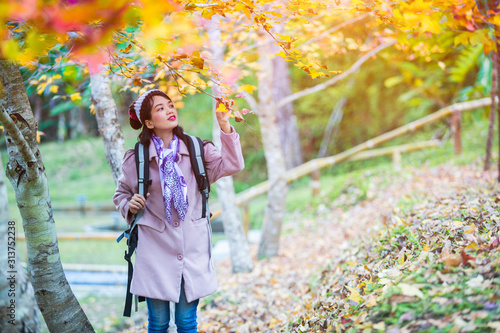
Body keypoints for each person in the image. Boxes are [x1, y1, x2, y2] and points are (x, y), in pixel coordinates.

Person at [113, 89, 244, 333]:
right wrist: (128, 205)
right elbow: (120, 194)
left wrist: (224, 125)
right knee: (158, 323)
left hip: (192, 249)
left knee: (186, 322)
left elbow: (233, 164)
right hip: (154, 250)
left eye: (170, 105)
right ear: (149, 122)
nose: (170, 110)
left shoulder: (197, 150)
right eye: (160, 108)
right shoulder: (137, 159)